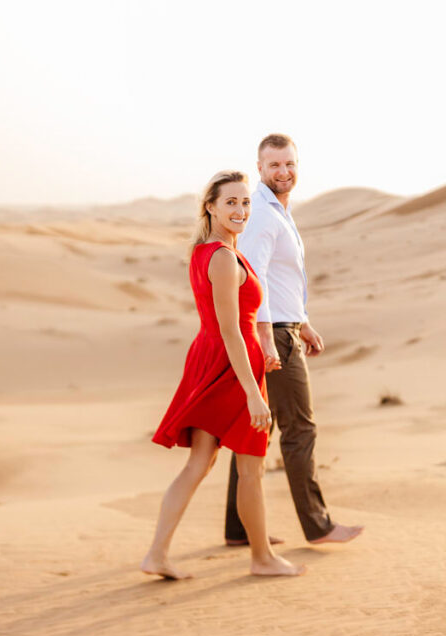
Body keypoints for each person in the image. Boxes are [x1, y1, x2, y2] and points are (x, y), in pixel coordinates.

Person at [142, 170, 305, 579]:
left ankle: (157, 554)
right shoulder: (224, 258)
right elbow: (231, 330)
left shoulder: (208, 252)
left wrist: (263, 351)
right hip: (231, 368)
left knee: (200, 463)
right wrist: (253, 392)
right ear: (210, 207)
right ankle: (262, 558)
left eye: (246, 202)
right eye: (230, 202)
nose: (240, 210)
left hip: (217, 360)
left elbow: (233, 327)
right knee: (250, 469)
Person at [224, 135, 363, 546]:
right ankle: (318, 526)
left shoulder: (278, 211)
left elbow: (281, 280)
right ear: (260, 168)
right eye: (274, 166)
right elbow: (253, 278)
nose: (283, 172)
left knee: (257, 430)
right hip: (272, 338)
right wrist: (269, 339)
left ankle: (239, 530)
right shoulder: (264, 215)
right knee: (300, 429)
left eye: (289, 164)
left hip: (283, 329)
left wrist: (302, 322)